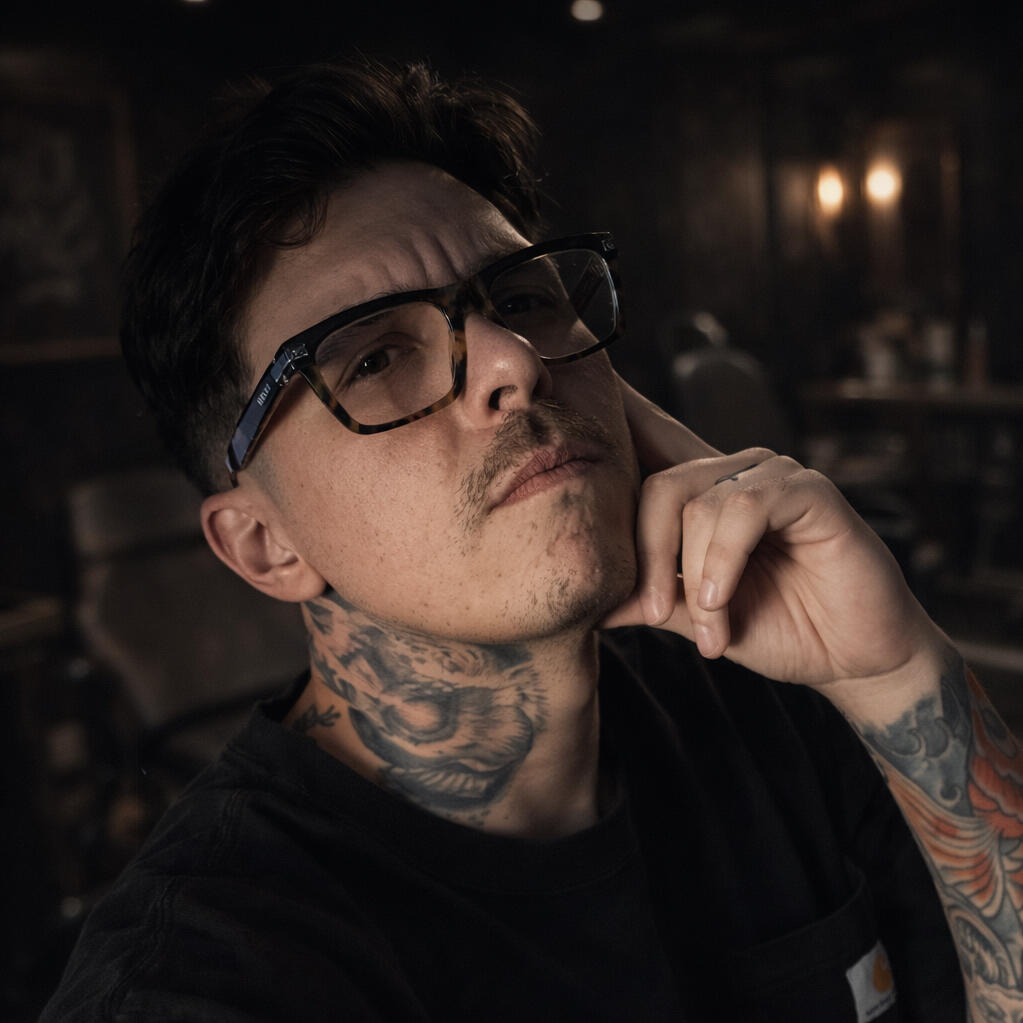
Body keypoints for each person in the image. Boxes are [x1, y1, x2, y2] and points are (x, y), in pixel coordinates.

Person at [41, 58, 1020, 1022]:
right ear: (265, 544)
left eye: (520, 300)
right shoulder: (203, 972)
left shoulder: (766, 698)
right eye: (376, 357)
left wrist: (895, 671)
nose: (514, 361)